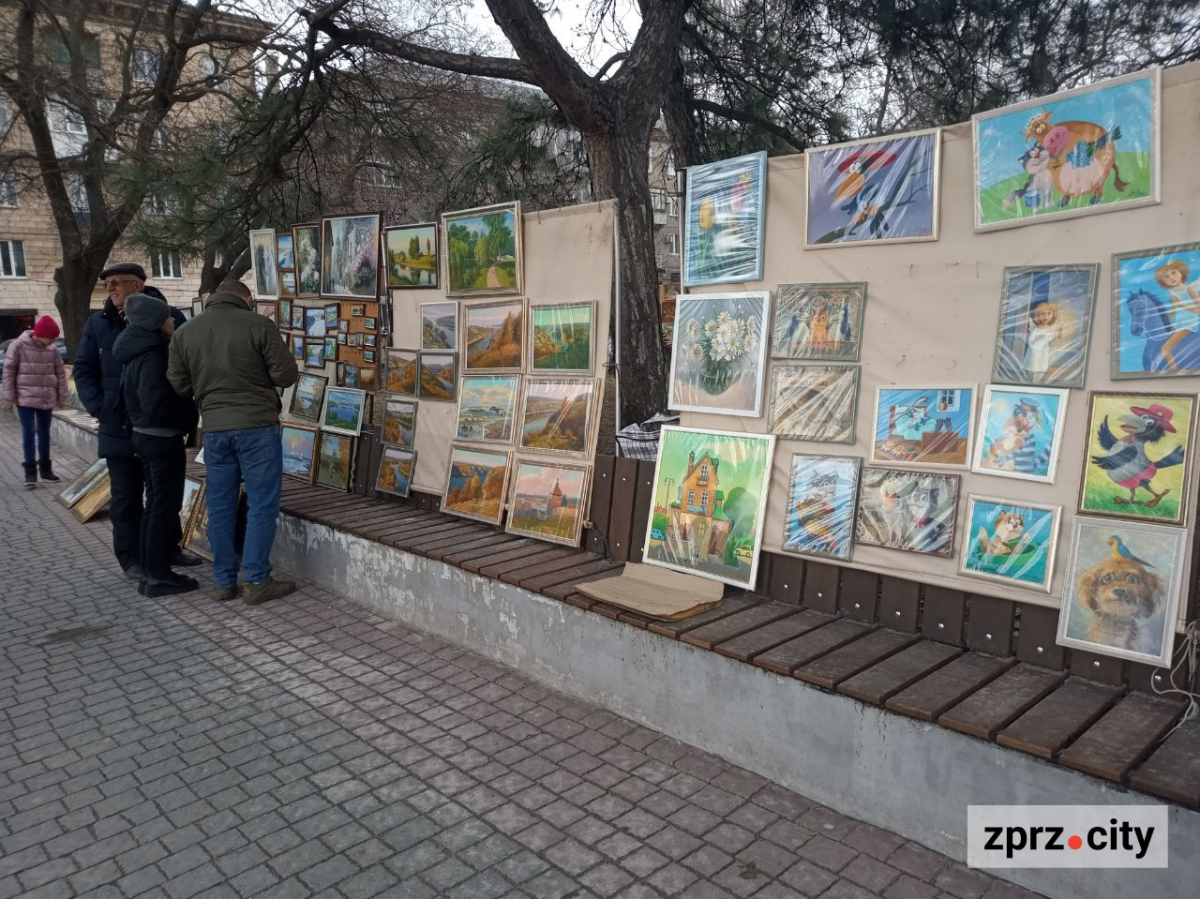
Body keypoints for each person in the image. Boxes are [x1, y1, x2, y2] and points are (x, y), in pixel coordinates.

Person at [168, 278, 299, 604]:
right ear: (246, 298)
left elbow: (179, 383)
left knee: (221, 506)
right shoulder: (258, 324)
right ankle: (256, 581)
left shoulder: (185, 332)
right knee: (261, 505)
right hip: (257, 427)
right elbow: (286, 375)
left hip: (214, 429)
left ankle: (224, 581)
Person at [73, 263, 200, 579]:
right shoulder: (98, 323)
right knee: (126, 497)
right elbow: (84, 370)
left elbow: (184, 367)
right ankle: (132, 560)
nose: (111, 289)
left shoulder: (170, 319)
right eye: (107, 284)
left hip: (159, 423)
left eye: (116, 283)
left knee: (163, 494)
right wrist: (101, 408)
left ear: (138, 286)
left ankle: (167, 550)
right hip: (118, 426)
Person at [114, 293, 200, 597]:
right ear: (154, 322)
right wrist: (187, 415)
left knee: (156, 506)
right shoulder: (152, 355)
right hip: (160, 438)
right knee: (164, 506)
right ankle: (157, 575)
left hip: (146, 436)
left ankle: (153, 570)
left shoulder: (137, 350)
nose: (173, 320)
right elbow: (156, 404)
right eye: (167, 317)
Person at [3, 316, 67, 488]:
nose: (53, 341)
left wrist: (62, 396)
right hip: (25, 398)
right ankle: (30, 473)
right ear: (42, 334)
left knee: (44, 433)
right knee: (29, 433)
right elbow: (9, 372)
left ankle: (46, 470)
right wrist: (9, 397)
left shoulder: (52, 349)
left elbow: (60, 374)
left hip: (46, 397)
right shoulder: (18, 346)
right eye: (51, 337)